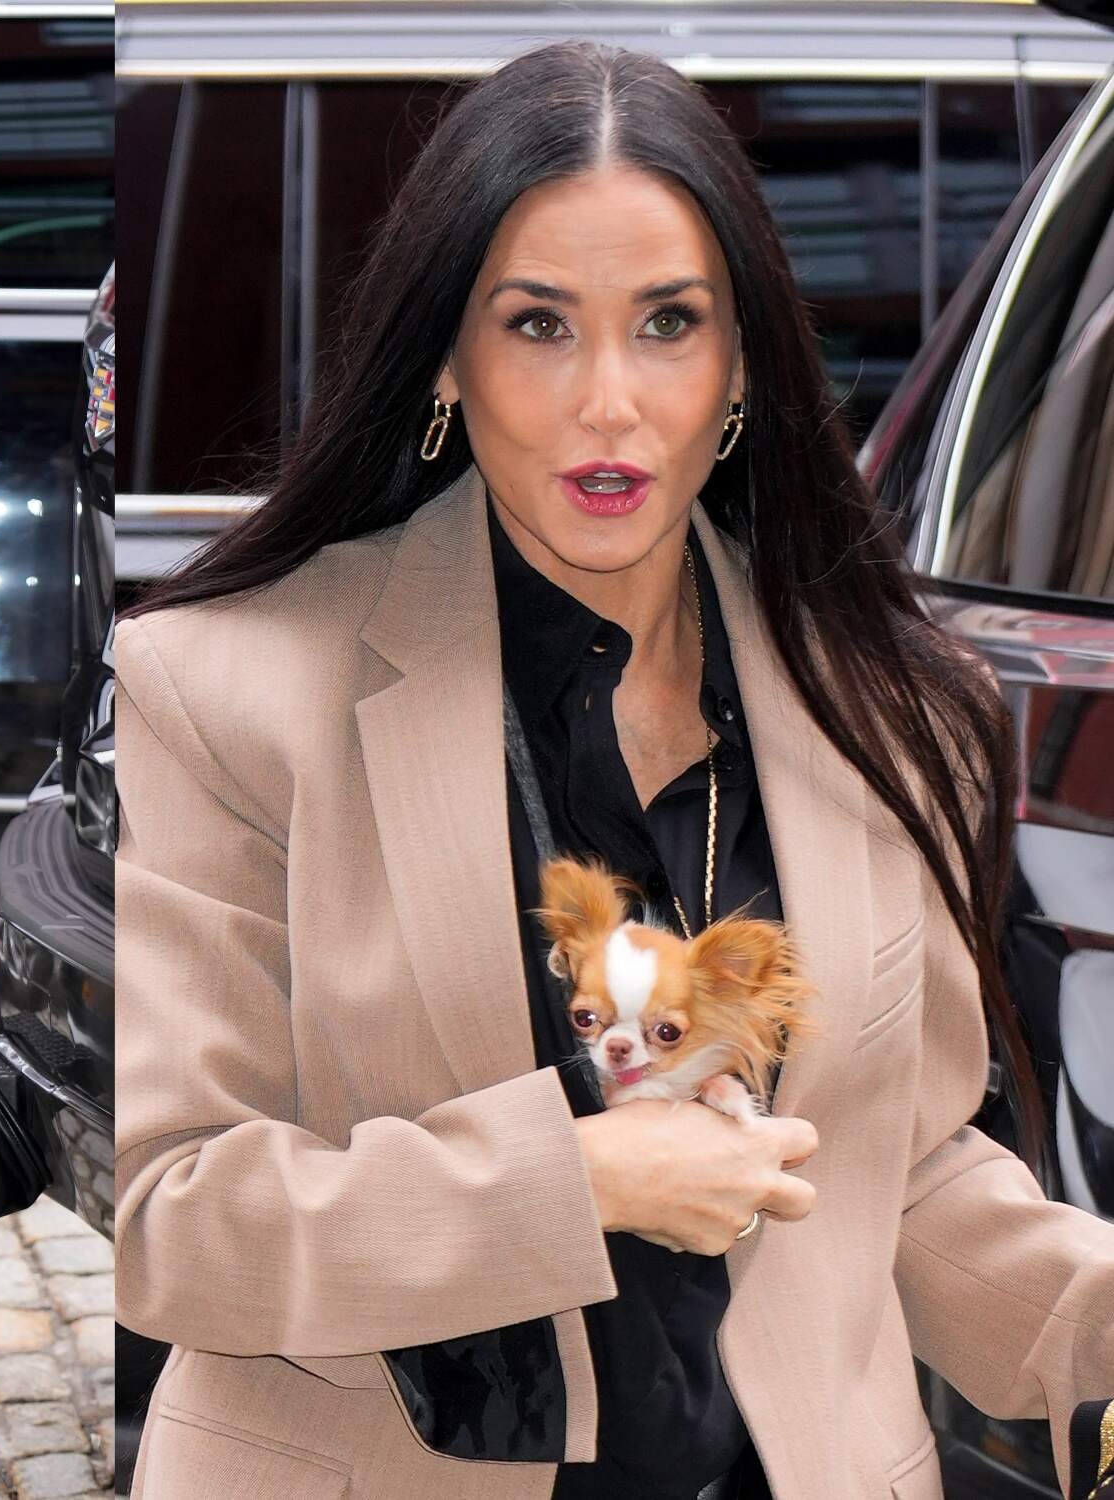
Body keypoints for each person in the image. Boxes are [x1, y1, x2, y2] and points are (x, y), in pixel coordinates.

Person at [109, 39, 1114, 1499]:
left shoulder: (900, 709)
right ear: (448, 357)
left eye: (665, 324)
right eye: (538, 326)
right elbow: (174, 1216)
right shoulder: (226, 689)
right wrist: (575, 1180)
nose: (607, 404)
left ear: (744, 361)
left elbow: (896, 1177)